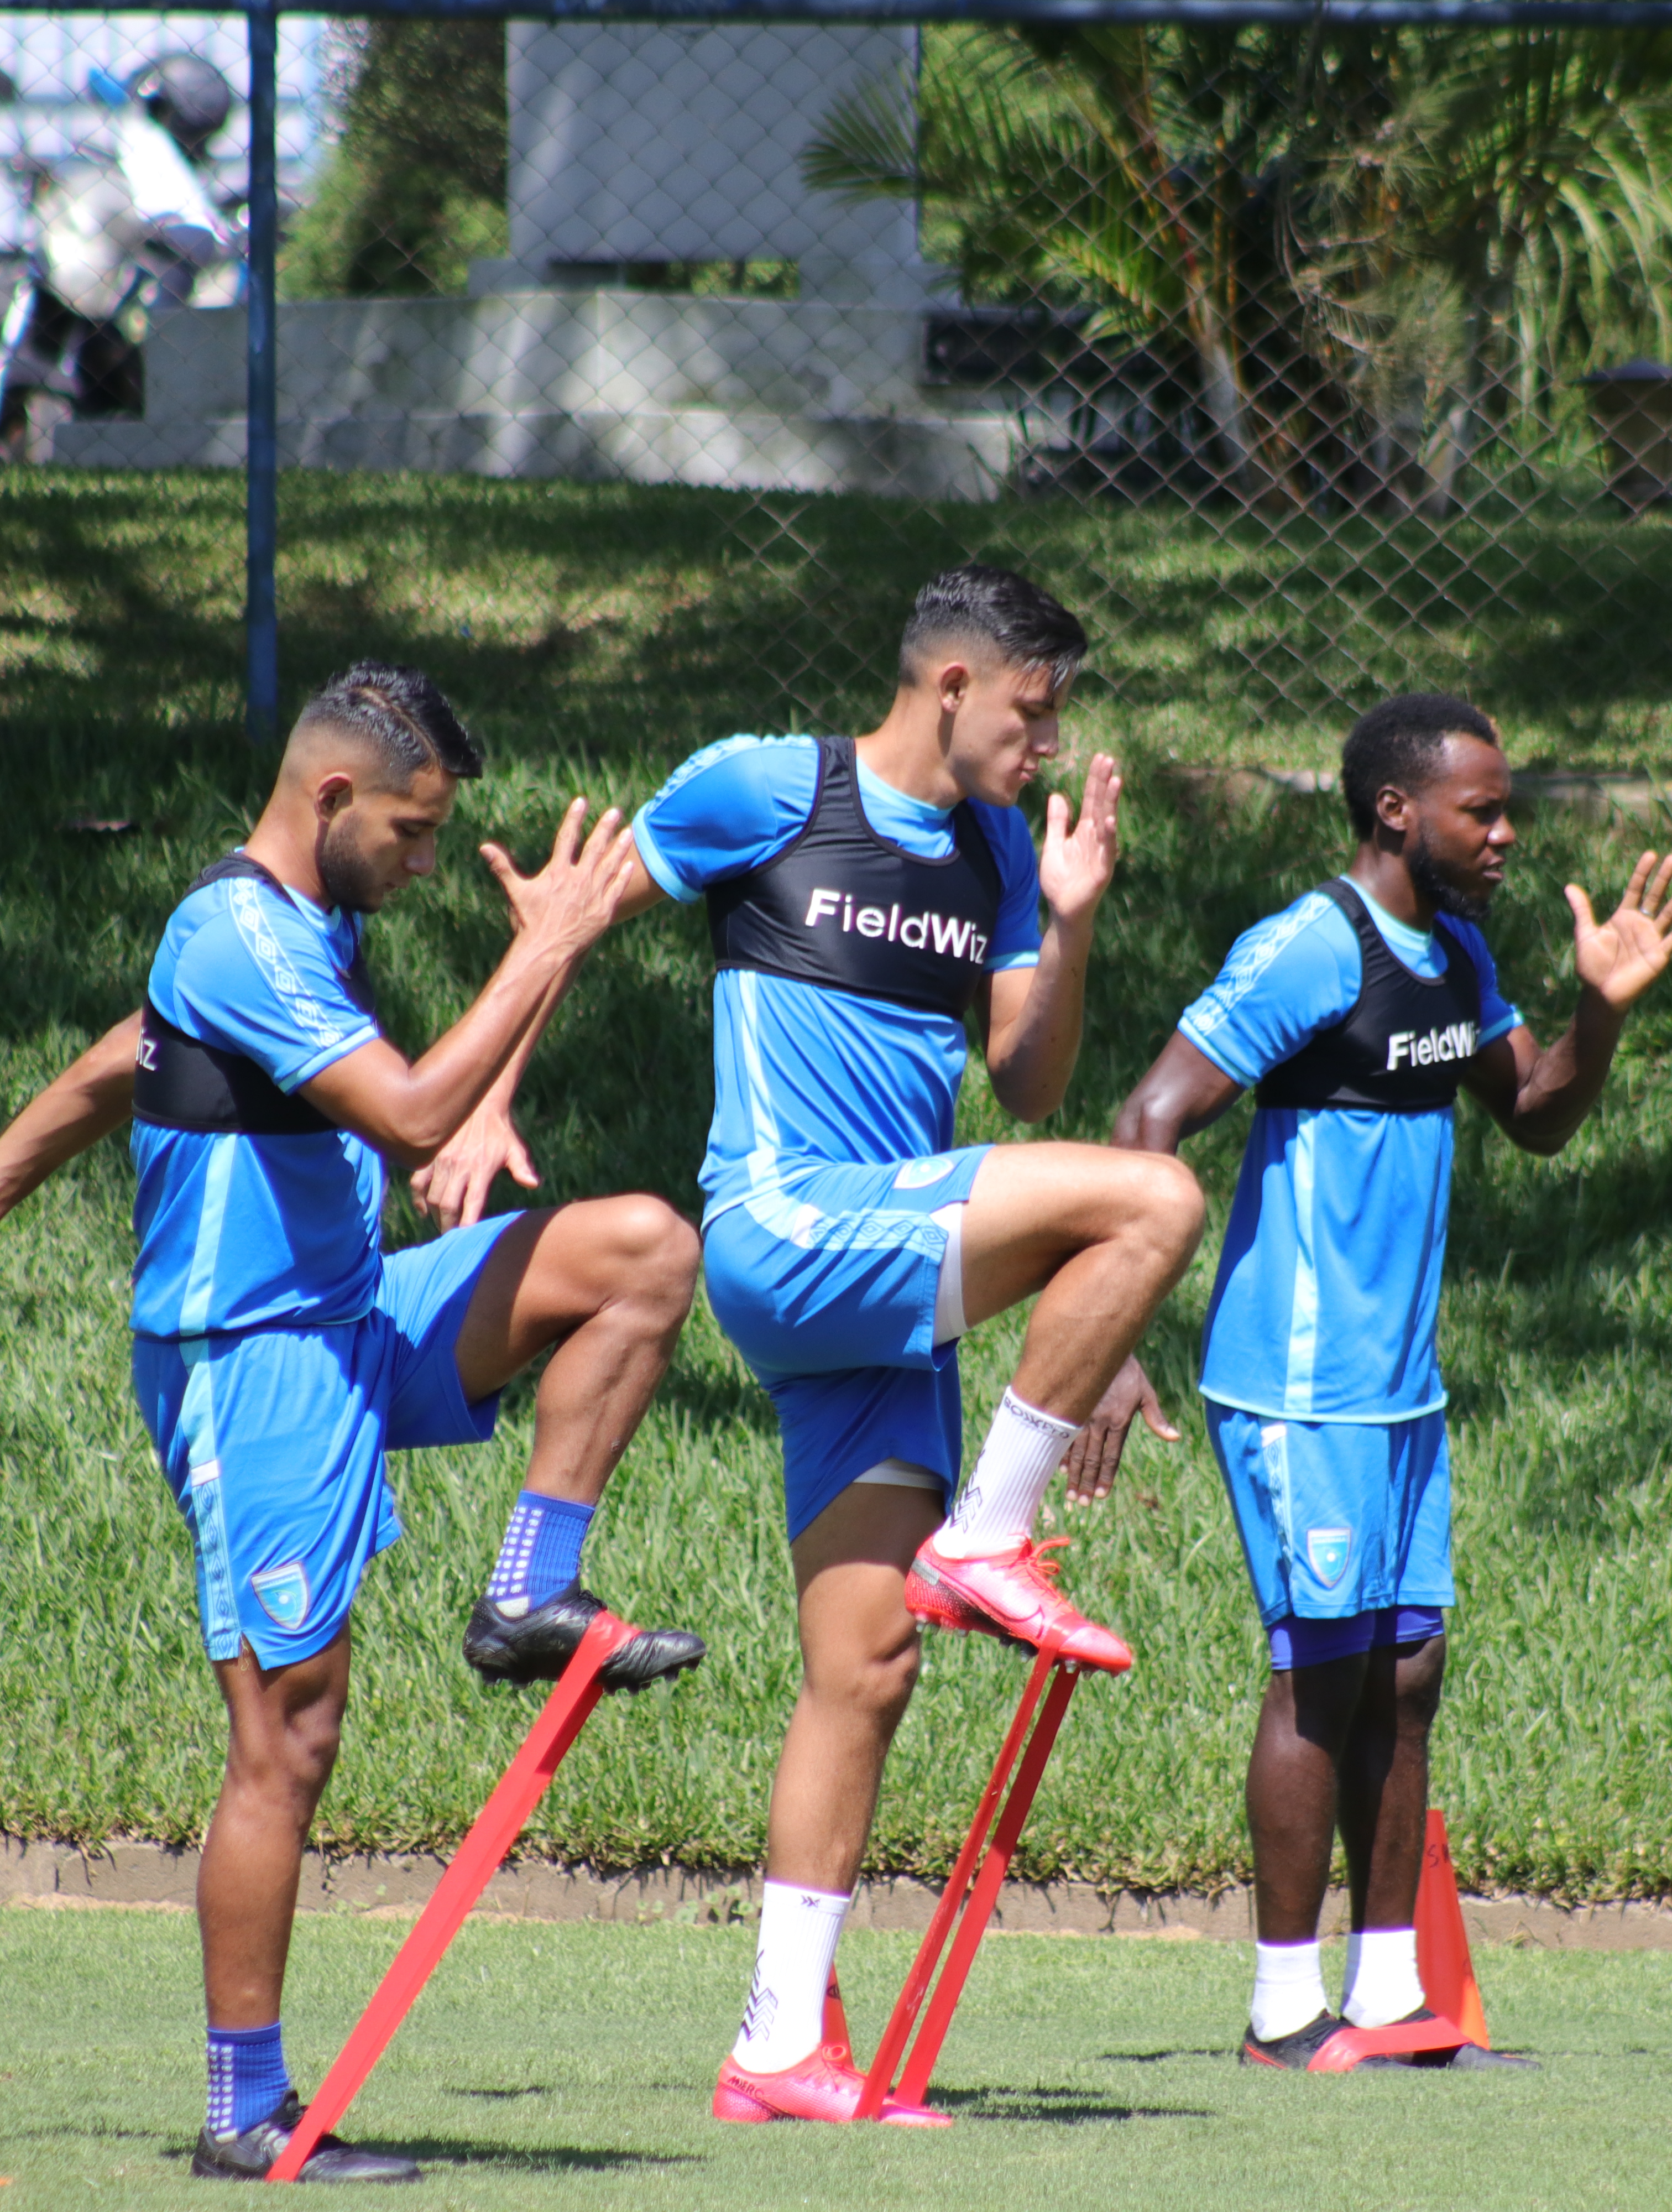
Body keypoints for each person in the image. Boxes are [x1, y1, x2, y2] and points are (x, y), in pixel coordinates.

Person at [0, 663, 701, 2182]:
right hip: (250, 1363)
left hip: (356, 1314)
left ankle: (527, 1589)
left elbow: (127, 1059)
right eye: (417, 833)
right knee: (287, 1737)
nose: (429, 861)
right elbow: (413, 1113)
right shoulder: (232, 929)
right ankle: (246, 2107)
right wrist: (545, 953)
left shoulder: (310, 924)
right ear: (332, 800)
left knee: (642, 1251)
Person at [411, 565, 1203, 2125]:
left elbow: (1030, 1085)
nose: (1046, 745)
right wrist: (491, 1092)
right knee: (1158, 1195)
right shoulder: (765, 788)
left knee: (870, 1665)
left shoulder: (988, 852)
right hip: (788, 1228)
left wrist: (1070, 918)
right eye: (1035, 711)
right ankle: (992, 1533)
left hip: (887, 1287)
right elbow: (573, 917)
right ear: (955, 685)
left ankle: (778, 2045)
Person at [1110, 693, 1672, 2071]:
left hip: (1400, 1390)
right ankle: (1279, 2011)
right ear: (1396, 811)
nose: (1505, 833)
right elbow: (1149, 1120)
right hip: (1297, 1378)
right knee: (1321, 1672)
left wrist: (1599, 1014)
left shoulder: (1458, 953)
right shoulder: (1311, 947)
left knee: (1409, 1668)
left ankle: (1389, 2002)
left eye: (1507, 810)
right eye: (1479, 810)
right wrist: (1110, 1339)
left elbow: (1538, 1115)